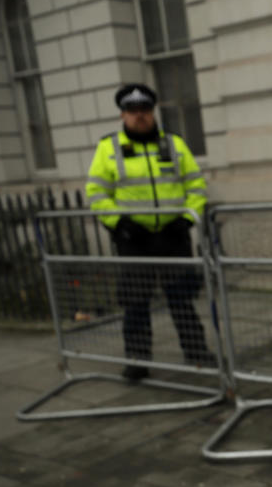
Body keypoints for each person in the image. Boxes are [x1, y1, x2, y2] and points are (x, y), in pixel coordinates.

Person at [85, 83, 214, 381]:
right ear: (123, 115)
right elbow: (96, 193)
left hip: (172, 237)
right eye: (132, 111)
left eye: (144, 110)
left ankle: (196, 353)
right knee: (135, 302)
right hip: (135, 240)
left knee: (181, 299)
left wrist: (185, 220)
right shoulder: (108, 148)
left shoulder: (174, 144)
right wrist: (120, 225)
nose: (139, 116)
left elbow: (196, 185)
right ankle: (137, 360)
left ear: (152, 111)